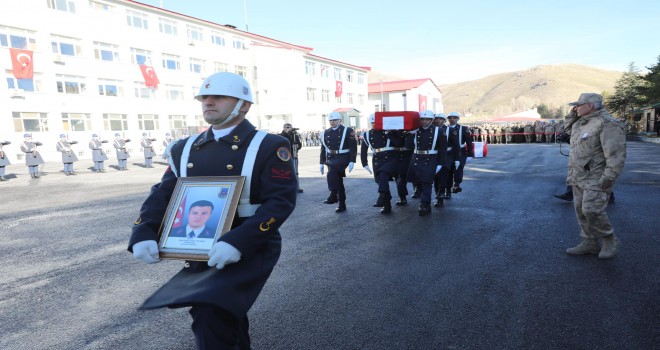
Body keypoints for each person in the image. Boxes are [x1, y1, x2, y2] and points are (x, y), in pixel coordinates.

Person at [128, 72, 297, 349]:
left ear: (244, 105)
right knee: (224, 314)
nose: (208, 101)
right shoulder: (183, 148)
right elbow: (163, 193)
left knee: (210, 311)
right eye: (204, 97)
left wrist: (238, 241)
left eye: (218, 96)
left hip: (249, 243)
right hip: (200, 244)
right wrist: (143, 230)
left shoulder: (268, 145)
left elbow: (280, 202)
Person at [563, 93, 626, 259]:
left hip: (596, 176)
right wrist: (572, 114)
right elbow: (567, 128)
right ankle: (589, 242)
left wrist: (609, 176)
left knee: (592, 210)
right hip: (578, 174)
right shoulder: (582, 122)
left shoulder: (607, 123)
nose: (575, 108)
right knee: (581, 211)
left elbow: (615, 154)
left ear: (590, 106)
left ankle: (609, 238)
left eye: (578, 105)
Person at [406, 110, 448, 216]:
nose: (424, 121)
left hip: (431, 158)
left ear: (432, 120)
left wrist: (440, 163)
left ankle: (425, 204)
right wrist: (410, 135)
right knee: (418, 182)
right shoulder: (415, 130)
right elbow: (408, 147)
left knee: (427, 182)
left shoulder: (439, 131)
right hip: (416, 158)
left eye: (427, 119)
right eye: (422, 119)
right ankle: (423, 200)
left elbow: (443, 149)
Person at [360, 113, 399, 214]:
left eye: (376, 122)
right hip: (377, 159)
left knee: (383, 176)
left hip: (390, 157)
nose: (374, 125)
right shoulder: (367, 134)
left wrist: (389, 133)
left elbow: (398, 143)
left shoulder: (389, 131)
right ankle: (387, 204)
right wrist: (364, 163)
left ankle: (382, 196)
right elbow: (364, 150)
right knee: (380, 181)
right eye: (372, 123)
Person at [320, 111, 357, 213]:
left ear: (340, 120)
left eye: (334, 120)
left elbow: (353, 147)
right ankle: (342, 204)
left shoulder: (347, 130)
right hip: (331, 158)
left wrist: (352, 161)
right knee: (338, 181)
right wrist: (321, 162)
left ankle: (333, 195)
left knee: (331, 173)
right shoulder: (325, 132)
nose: (332, 122)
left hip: (343, 157)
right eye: (330, 120)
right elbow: (323, 148)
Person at [434, 113, 461, 206]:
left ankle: (443, 191)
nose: (438, 120)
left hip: (447, 155)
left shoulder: (451, 130)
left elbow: (456, 145)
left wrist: (457, 159)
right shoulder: (431, 130)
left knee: (444, 173)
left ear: (444, 121)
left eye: (440, 119)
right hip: (435, 155)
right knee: (436, 177)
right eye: (436, 119)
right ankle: (439, 197)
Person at [445, 112, 474, 195]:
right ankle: (447, 190)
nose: (452, 119)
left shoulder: (464, 129)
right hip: (449, 152)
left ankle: (456, 185)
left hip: (461, 151)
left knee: (459, 168)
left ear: (458, 119)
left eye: (454, 118)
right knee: (448, 171)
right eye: (450, 118)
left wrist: (470, 155)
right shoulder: (445, 128)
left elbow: (469, 142)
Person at [279, 123, 304, 193]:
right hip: (284, 157)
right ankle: (285, 187)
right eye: (287, 127)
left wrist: (297, 146)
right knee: (284, 172)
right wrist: (286, 133)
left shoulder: (294, 136)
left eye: (290, 127)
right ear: (283, 128)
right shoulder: (281, 136)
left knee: (296, 172)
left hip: (294, 155)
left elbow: (299, 145)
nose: (289, 128)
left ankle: (297, 186)